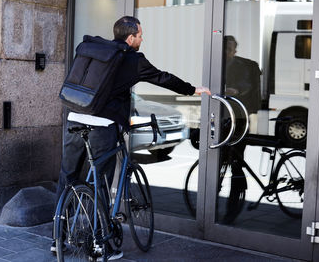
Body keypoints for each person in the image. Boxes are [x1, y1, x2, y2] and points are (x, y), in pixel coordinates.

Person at [51, 16, 210, 260]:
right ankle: (101, 245)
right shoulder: (132, 59)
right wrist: (192, 89)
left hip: (75, 117)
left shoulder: (96, 51)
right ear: (130, 37)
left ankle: (57, 239)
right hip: (103, 125)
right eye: (140, 35)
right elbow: (162, 77)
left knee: (68, 176)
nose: (142, 38)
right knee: (101, 183)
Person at [220, 35, 261, 224]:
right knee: (218, 162)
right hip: (220, 117)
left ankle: (232, 211)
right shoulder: (216, 64)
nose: (227, 52)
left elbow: (246, 84)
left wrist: (235, 90)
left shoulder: (241, 67)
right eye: (225, 49)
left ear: (234, 51)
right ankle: (209, 207)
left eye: (230, 49)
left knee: (236, 163)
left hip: (238, 118)